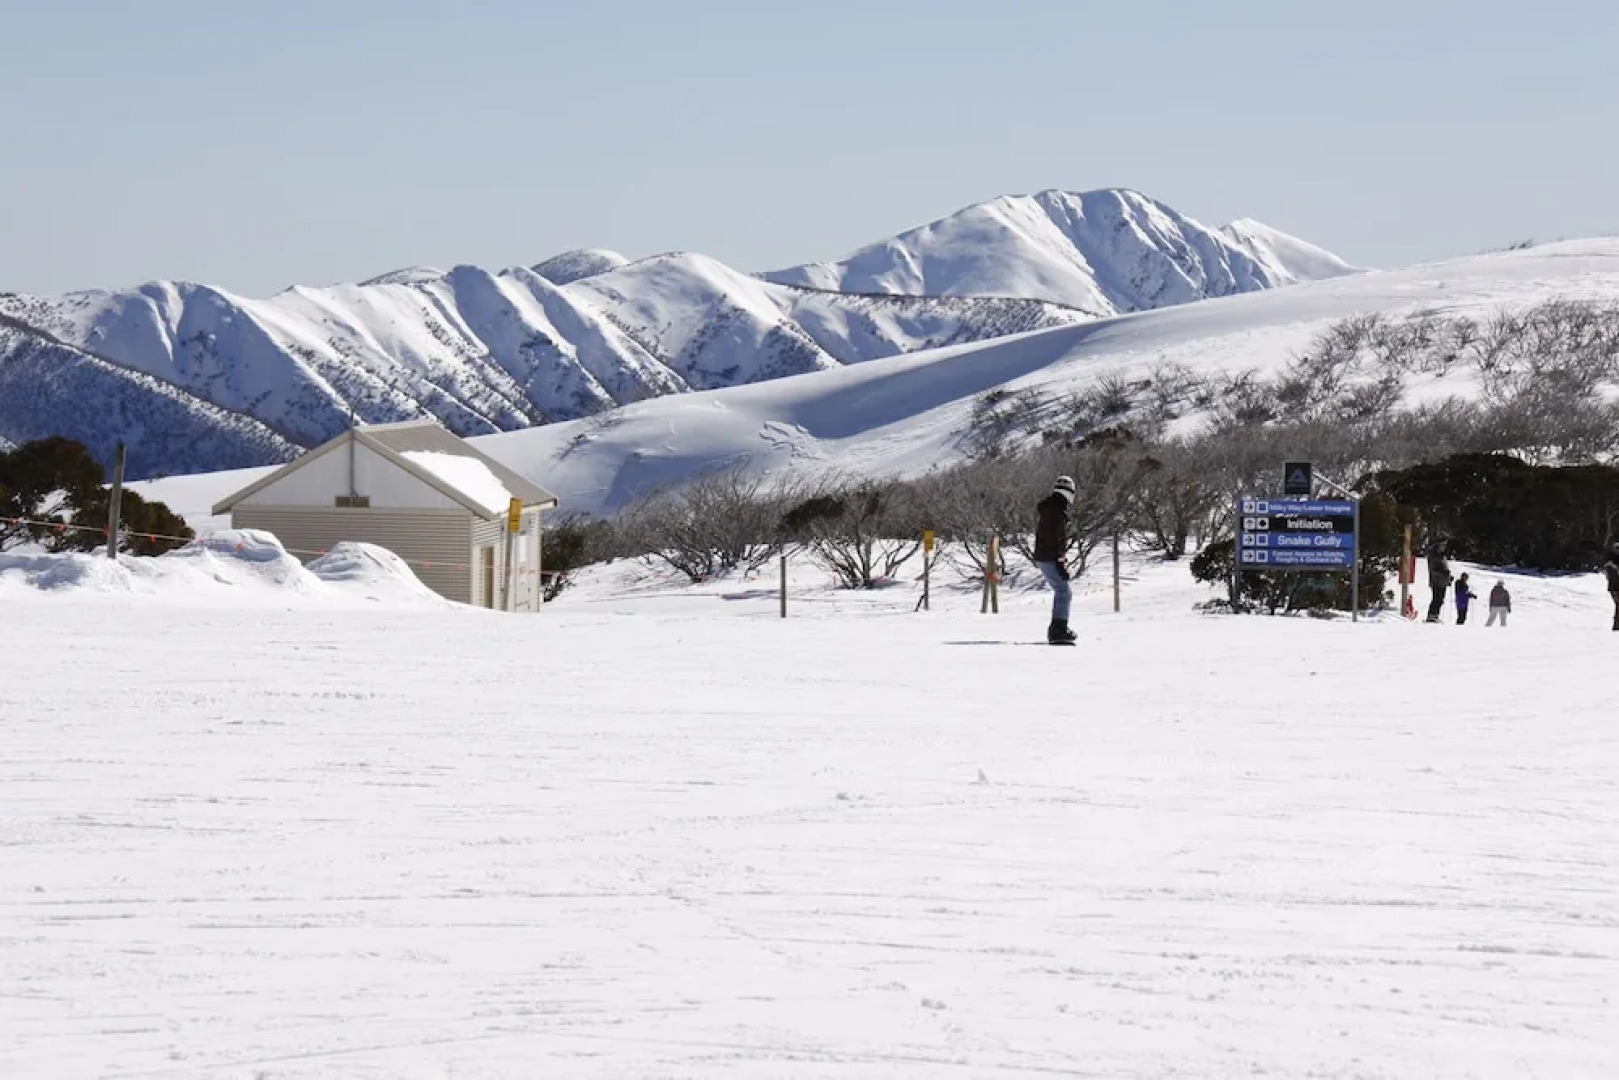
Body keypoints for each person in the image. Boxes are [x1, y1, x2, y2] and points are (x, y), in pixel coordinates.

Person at [1033, 475, 1077, 645]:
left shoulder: (1051, 508)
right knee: (1064, 591)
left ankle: (1058, 627)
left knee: (1062, 591)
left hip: (1044, 555)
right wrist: (1060, 561)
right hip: (1049, 556)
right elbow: (1055, 538)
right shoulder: (1057, 511)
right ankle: (1058, 629)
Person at [1426, 539, 1453, 623]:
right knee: (1436, 598)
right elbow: (1433, 570)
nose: (1444, 547)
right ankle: (1431, 616)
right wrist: (1443, 573)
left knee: (1440, 599)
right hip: (1436, 581)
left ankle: (1435, 615)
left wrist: (1448, 576)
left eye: (1445, 545)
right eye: (1443, 545)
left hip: (1442, 581)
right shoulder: (1434, 555)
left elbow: (1444, 568)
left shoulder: (1442, 556)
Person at [1605, 544, 1619, 631]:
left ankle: (1616, 625)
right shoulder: (1611, 563)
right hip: (1615, 587)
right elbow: (1609, 576)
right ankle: (1616, 625)